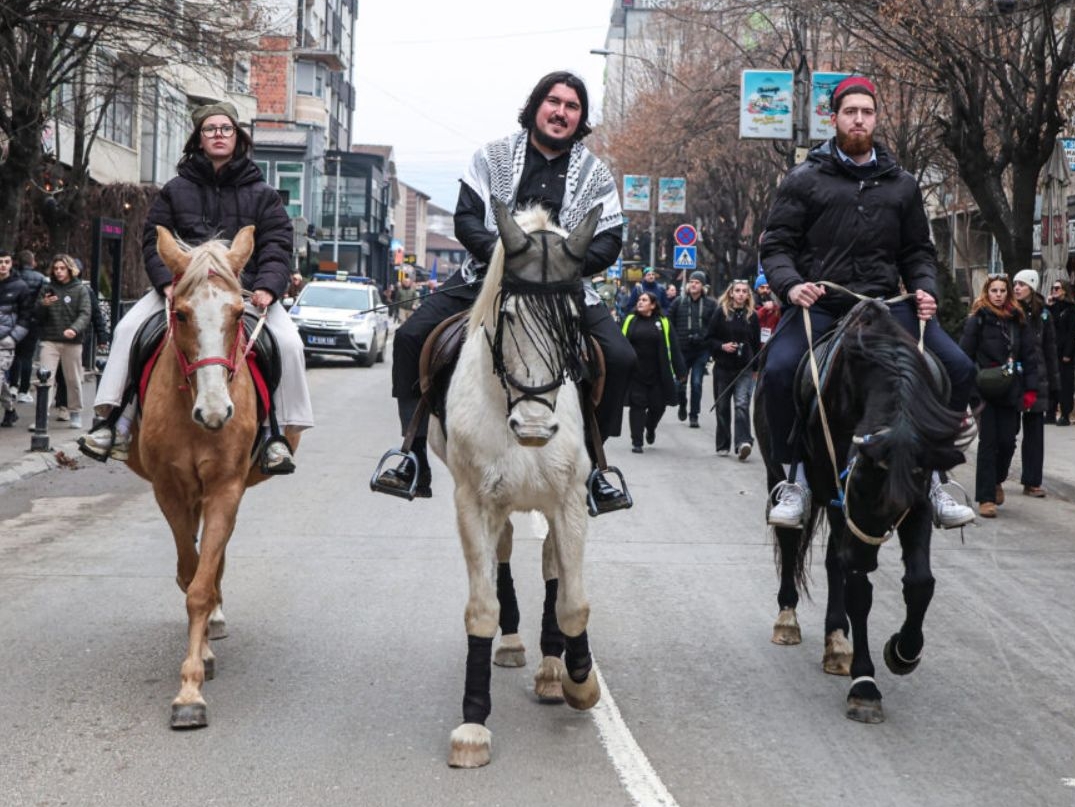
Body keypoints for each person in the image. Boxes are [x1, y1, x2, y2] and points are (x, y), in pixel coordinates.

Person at [372, 71, 635, 513]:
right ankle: (411, 453)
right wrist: (504, 256)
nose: (561, 112)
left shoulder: (596, 173)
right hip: (486, 276)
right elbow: (466, 218)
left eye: (573, 107)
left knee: (622, 358)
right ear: (536, 106)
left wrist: (561, 266)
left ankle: (595, 468)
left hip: (564, 288)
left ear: (580, 119)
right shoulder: (492, 156)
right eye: (554, 101)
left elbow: (610, 239)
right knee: (410, 337)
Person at [759, 74, 976, 529]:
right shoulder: (804, 179)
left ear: (877, 118)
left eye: (867, 112)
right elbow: (775, 246)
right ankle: (794, 481)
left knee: (957, 367)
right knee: (779, 371)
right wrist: (792, 286)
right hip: (819, 303)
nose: (859, 119)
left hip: (886, 304)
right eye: (850, 111)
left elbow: (919, 251)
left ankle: (936, 478)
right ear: (834, 118)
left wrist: (925, 290)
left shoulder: (902, 185)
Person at [79, 101, 312, 471]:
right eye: (210, 129)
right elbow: (152, 240)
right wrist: (165, 284)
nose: (218, 135)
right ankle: (114, 423)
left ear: (238, 137)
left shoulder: (264, 195)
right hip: (182, 291)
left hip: (244, 293)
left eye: (226, 129)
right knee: (126, 330)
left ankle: (276, 434)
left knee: (289, 343)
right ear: (199, 138)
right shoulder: (175, 190)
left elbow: (277, 245)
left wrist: (268, 286)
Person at [959, 274, 1038, 518]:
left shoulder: (1017, 320)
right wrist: (968, 392)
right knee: (988, 443)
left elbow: (1030, 357)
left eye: (1003, 290)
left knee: (1008, 442)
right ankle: (985, 498)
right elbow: (964, 356)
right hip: (985, 392)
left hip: (1011, 390)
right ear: (987, 292)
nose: (999, 294)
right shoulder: (977, 320)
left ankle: (996, 480)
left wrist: (1030, 391)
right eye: (994, 290)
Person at [1011, 270, 1059, 497]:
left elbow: (1050, 352)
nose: (1017, 288)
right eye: (1015, 284)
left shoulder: (1044, 316)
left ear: (1032, 286)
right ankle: (997, 478)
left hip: (1037, 381)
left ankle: (1032, 481)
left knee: (1034, 435)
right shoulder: (1009, 312)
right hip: (1011, 379)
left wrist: (1054, 385)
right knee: (1007, 432)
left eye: (1021, 284)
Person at [621, 291, 685, 453]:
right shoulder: (630, 320)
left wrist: (681, 371)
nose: (640, 302)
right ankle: (637, 441)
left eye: (644, 300)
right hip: (636, 373)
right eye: (639, 300)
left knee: (658, 406)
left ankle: (649, 427)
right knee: (637, 406)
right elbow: (620, 344)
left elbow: (674, 347)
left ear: (653, 305)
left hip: (658, 374)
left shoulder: (662, 322)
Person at [35, 254, 91, 429]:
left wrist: (74, 329)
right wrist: (43, 305)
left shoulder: (80, 289)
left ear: (69, 269)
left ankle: (75, 412)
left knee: (73, 378)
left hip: (72, 341)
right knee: (45, 378)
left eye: (62, 268)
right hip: (49, 339)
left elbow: (85, 313)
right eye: (56, 268)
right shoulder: (47, 288)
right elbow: (37, 315)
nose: (58, 272)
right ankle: (42, 415)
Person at [707, 278, 761, 459]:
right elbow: (709, 338)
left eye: (744, 291)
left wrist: (756, 367)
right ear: (731, 292)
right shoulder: (720, 313)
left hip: (744, 367)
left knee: (741, 405)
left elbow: (756, 343)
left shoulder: (752, 316)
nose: (740, 294)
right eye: (737, 290)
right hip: (723, 367)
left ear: (748, 295)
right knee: (722, 407)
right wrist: (722, 346)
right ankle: (723, 444)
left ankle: (743, 443)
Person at [668, 269, 716, 427]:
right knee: (678, 385)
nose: (693, 285)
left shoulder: (710, 304)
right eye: (691, 282)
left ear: (703, 286)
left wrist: (702, 337)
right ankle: (682, 404)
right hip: (682, 351)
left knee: (696, 383)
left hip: (700, 351)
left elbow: (714, 326)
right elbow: (669, 323)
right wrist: (674, 342)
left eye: (697, 282)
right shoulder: (678, 302)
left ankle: (694, 415)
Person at [0, 249, 33, 427]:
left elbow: (26, 316)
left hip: (5, 341)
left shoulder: (20, 286)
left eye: (6, 262)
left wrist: (13, 338)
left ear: (11, 264)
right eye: (0, 262)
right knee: (2, 381)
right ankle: (10, 409)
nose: (3, 265)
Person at [12, 250, 47, 404]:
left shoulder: (14, 277)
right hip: (32, 321)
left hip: (15, 320)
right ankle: (23, 390)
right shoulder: (40, 279)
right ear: (32, 262)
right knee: (27, 356)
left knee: (14, 355)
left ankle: (13, 385)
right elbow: (42, 301)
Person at [1045, 278, 1074, 425]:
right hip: (1052, 352)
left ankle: (1065, 414)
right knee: (1051, 383)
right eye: (1053, 288)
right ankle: (1050, 413)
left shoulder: (1071, 309)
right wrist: (1048, 306)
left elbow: (1072, 333)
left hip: (1065, 354)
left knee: (1065, 384)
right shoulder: (1052, 308)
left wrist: (1068, 353)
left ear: (1064, 290)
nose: (1054, 291)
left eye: (1057, 288)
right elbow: (1047, 326)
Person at [753, 272, 781, 345]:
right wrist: (764, 309)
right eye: (762, 287)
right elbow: (752, 319)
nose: (765, 290)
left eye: (768, 288)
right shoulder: (750, 304)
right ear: (757, 289)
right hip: (755, 343)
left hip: (771, 343)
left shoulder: (775, 306)